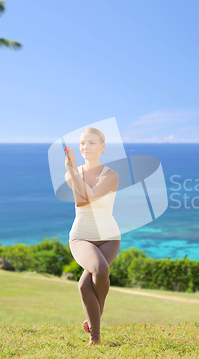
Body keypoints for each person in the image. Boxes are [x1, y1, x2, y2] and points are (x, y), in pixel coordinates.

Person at [64, 127, 121, 346]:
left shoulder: (111, 175)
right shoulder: (71, 172)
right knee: (100, 269)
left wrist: (74, 174)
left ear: (103, 147)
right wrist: (73, 171)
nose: (85, 147)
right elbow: (81, 202)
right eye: (82, 143)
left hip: (110, 238)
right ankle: (100, 309)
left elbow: (92, 196)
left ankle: (94, 338)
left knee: (83, 286)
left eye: (91, 143)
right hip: (81, 237)